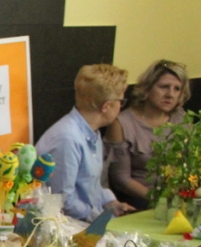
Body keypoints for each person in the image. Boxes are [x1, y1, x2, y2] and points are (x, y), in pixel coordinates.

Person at [36, 64, 136, 222]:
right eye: (120, 101)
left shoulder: (92, 132)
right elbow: (62, 201)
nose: (120, 107)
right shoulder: (67, 138)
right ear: (106, 106)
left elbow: (90, 185)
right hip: (67, 227)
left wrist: (111, 203)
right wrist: (101, 219)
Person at [106, 60, 191, 210]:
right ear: (147, 88)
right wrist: (160, 200)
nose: (170, 94)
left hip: (178, 197)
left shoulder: (180, 117)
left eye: (177, 89)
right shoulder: (122, 123)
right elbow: (120, 179)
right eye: (164, 87)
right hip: (140, 199)